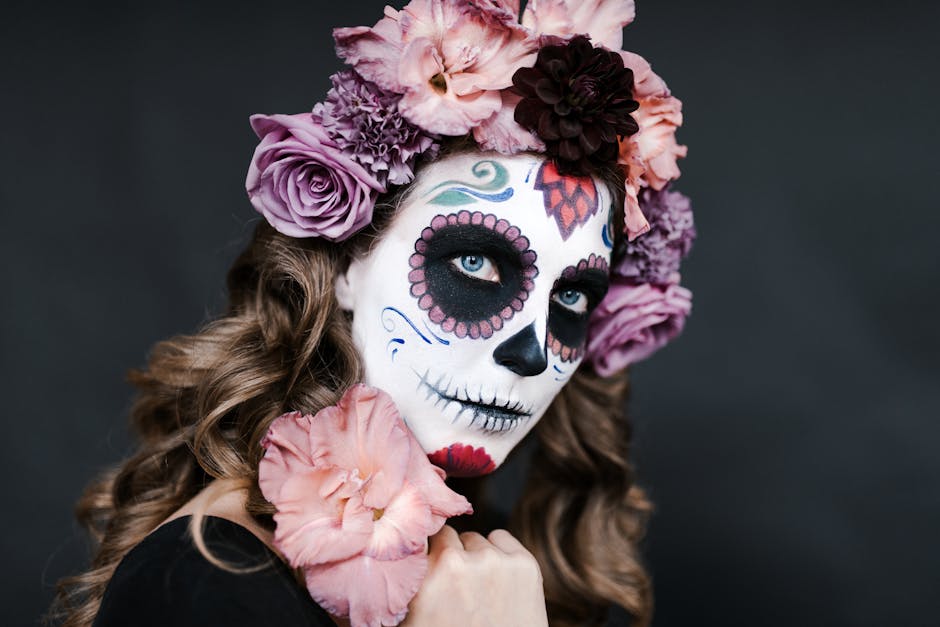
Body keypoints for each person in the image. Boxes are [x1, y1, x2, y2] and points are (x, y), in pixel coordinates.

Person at [53, 2, 695, 626]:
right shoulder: (205, 582)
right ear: (343, 264)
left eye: (573, 297)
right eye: (475, 265)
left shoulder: (474, 558)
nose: (531, 352)